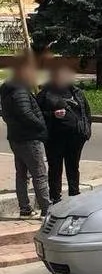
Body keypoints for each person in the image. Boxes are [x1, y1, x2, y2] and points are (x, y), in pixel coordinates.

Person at [1, 59, 50, 217]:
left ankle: (25, 208)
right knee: (39, 174)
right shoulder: (20, 90)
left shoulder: (8, 89)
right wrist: (40, 125)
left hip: (16, 137)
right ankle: (47, 209)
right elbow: (25, 113)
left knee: (21, 174)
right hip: (29, 138)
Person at [38, 63, 92, 203]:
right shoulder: (45, 94)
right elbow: (37, 115)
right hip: (54, 138)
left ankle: (74, 195)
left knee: (73, 167)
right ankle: (55, 197)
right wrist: (53, 114)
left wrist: (86, 131)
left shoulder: (76, 92)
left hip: (75, 137)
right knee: (55, 168)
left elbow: (86, 112)